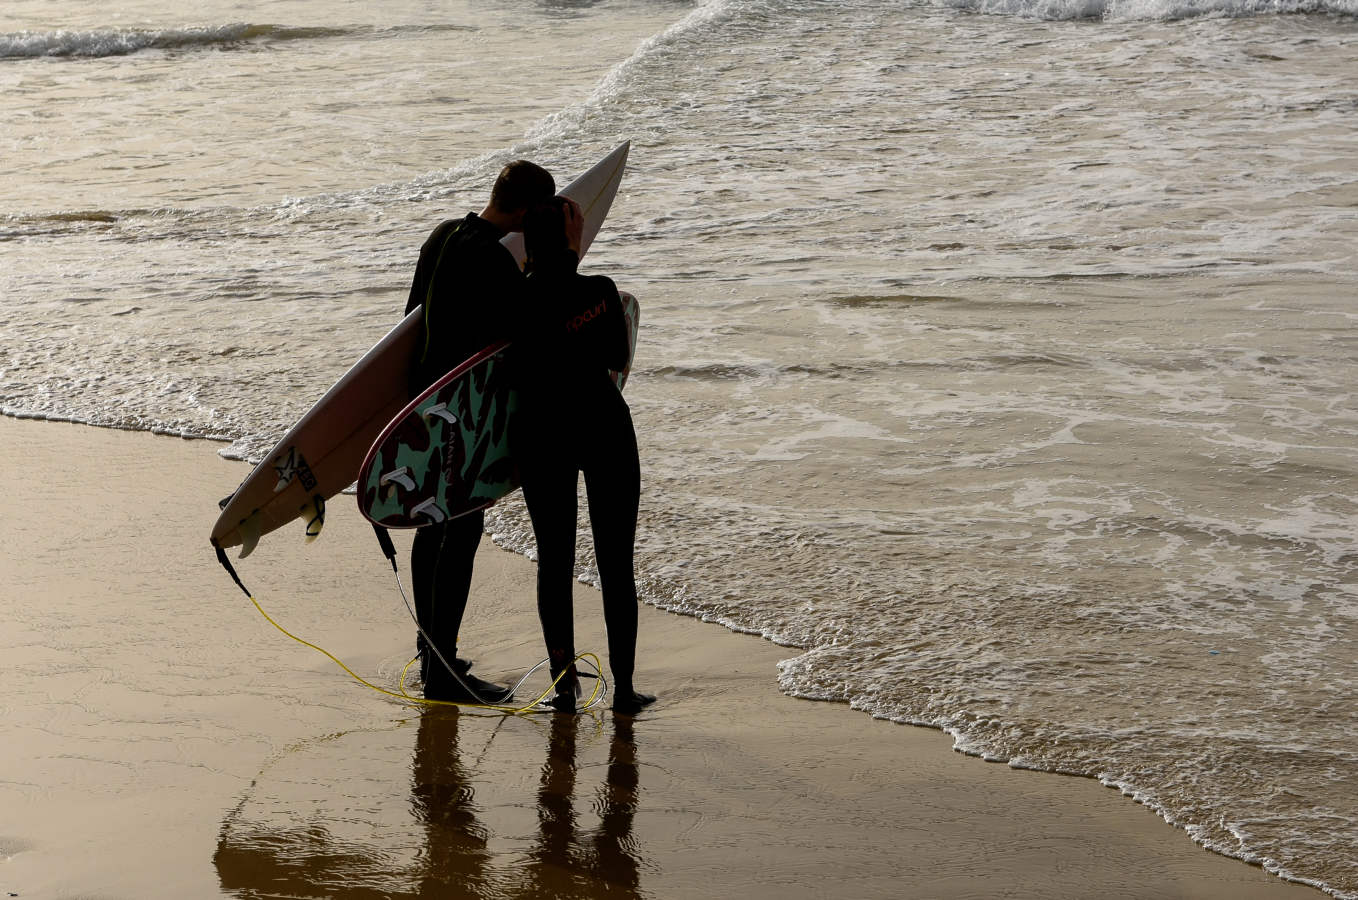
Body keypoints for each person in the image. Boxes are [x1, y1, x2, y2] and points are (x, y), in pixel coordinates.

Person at [403, 159, 570, 703]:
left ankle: (432, 652)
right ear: (526, 210)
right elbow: (526, 335)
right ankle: (443, 674)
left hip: (426, 406)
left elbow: (409, 322)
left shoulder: (442, 237)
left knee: (433, 529)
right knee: (461, 533)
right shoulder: (494, 260)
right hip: (463, 417)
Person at [512, 196, 656, 715]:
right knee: (616, 564)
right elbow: (619, 357)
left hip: (541, 432)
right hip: (603, 427)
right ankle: (623, 690)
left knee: (554, 562)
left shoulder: (515, 300)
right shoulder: (599, 292)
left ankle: (564, 687)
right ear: (572, 239)